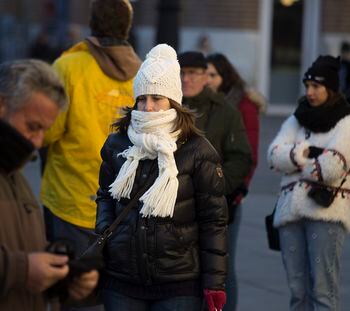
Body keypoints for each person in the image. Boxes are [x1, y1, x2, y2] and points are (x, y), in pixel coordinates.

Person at [0, 59, 99, 311]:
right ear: (0, 106)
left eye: (44, 130)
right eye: (33, 127)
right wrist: (21, 270)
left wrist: (61, 280)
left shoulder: (8, 163)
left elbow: (17, 248)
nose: (37, 141)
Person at [96, 43, 228, 311]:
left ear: (173, 102)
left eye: (157, 98)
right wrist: (107, 244)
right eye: (142, 99)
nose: (148, 107)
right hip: (122, 280)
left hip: (178, 283)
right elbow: (105, 198)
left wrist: (215, 281)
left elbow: (213, 220)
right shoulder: (117, 144)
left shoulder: (198, 150)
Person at [41, 0, 140, 276]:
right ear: (127, 27)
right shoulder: (142, 74)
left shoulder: (68, 67)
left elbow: (48, 130)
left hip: (71, 200)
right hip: (124, 205)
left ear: (93, 23)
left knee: (73, 289)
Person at [268, 55, 350, 311]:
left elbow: (332, 166)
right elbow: (272, 155)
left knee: (323, 293)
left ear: (331, 88)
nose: (310, 92)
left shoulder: (345, 122)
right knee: (297, 293)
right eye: (307, 86)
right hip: (290, 213)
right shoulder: (297, 118)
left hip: (326, 214)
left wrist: (293, 157)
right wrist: (308, 153)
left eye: (316, 86)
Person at [205, 52, 266, 311]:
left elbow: (248, 155)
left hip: (230, 197)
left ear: (225, 76)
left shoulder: (242, 105)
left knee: (224, 265)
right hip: (205, 195)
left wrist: (236, 192)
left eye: (212, 75)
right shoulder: (206, 104)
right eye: (204, 74)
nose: (207, 80)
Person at [177, 51, 252, 215]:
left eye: (192, 73)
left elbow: (241, 158)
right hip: (171, 204)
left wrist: (216, 186)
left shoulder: (225, 111)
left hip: (208, 206)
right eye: (181, 72)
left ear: (205, 77)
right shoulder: (167, 107)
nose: (185, 78)